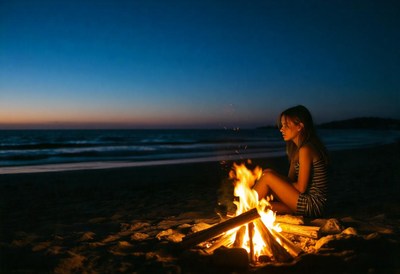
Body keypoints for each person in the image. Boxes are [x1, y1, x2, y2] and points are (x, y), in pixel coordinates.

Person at [253, 105, 329, 217]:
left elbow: (301, 188)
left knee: (267, 178)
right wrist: (275, 183)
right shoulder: (297, 150)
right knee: (262, 204)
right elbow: (290, 180)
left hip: (313, 205)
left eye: (286, 125)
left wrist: (273, 184)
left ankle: (243, 208)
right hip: (303, 201)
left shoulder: (306, 149)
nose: (281, 129)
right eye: (282, 125)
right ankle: (246, 208)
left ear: (300, 126)